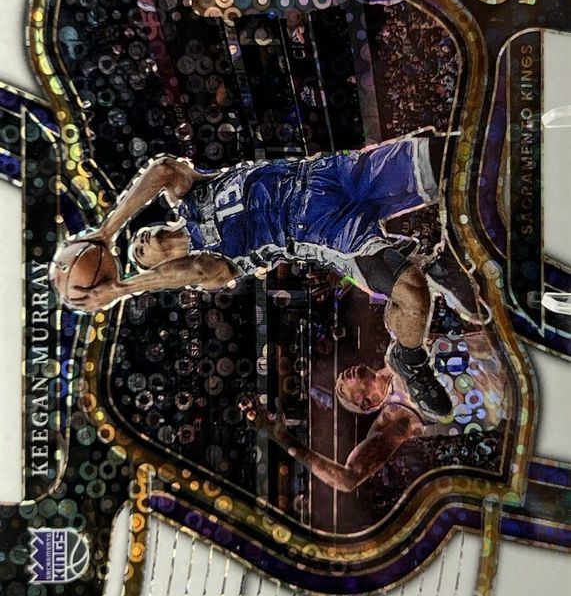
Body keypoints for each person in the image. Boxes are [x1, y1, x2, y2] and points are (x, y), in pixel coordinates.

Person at [51, 135, 484, 417]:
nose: (142, 242)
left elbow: (163, 169)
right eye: (140, 254)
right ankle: (410, 358)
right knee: (410, 292)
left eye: (140, 237)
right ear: (157, 269)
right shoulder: (212, 265)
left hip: (326, 174)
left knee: (459, 153)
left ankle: (437, 264)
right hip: (321, 230)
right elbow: (197, 270)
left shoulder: (192, 196)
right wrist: (124, 286)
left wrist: (108, 231)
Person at [242, 355, 506, 492]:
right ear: (366, 404)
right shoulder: (396, 414)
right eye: (342, 390)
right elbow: (348, 479)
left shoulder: (396, 353)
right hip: (504, 393)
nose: (341, 378)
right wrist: (283, 438)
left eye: (340, 381)